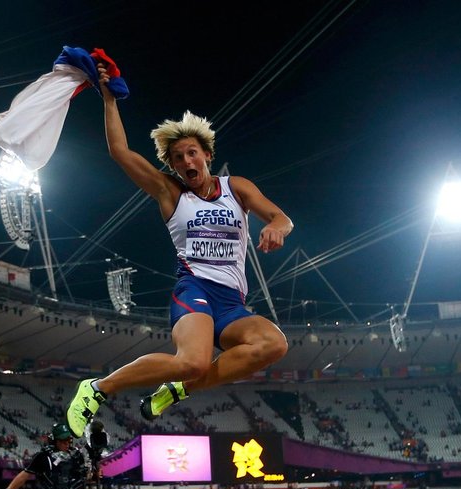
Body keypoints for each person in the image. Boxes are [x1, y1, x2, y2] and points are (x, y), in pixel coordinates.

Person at [64, 62, 293, 437]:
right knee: (192, 361)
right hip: (195, 291)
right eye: (178, 158)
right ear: (172, 165)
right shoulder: (170, 192)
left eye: (192, 153)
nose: (187, 162)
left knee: (273, 344)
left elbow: (282, 217)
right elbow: (120, 151)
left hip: (232, 302)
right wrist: (108, 99)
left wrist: (276, 227)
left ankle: (176, 392)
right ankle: (97, 389)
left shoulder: (236, 188)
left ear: (206, 154)